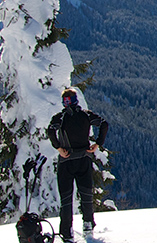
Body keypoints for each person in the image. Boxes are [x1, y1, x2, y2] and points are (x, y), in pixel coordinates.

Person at [46, 89, 108, 243]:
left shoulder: (60, 117)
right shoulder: (86, 115)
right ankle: (88, 224)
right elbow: (104, 124)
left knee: (66, 197)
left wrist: (59, 148)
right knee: (86, 194)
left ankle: (66, 232)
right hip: (84, 158)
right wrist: (97, 144)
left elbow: (50, 130)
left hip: (66, 160)